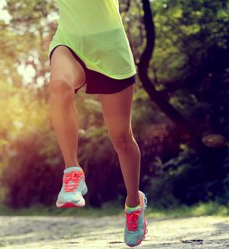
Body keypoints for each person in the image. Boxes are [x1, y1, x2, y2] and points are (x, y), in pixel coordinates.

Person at [48, 0, 147, 246]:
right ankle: (72, 172)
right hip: (70, 42)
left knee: (122, 139)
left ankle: (134, 205)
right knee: (59, 86)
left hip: (111, 50)